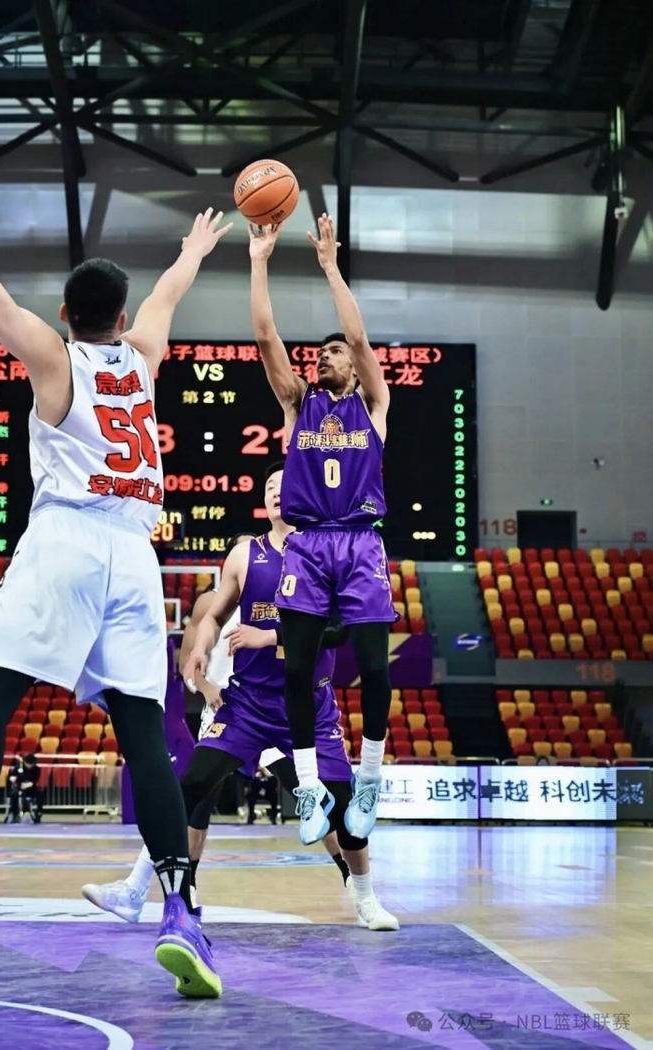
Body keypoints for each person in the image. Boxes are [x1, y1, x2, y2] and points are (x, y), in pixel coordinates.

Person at [0, 208, 231, 998]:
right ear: (122, 313)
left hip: (67, 541)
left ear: (67, 314)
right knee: (143, 735)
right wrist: (194, 250)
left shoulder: (54, 355)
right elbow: (168, 295)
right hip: (136, 559)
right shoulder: (144, 356)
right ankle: (180, 911)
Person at [83, 468, 397, 932]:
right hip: (248, 704)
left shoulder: (329, 552)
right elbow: (213, 616)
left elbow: (338, 632)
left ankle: (365, 897)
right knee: (191, 786)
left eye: (285, 486)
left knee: (343, 807)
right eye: (269, 488)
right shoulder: (245, 554)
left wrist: (270, 637)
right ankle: (135, 888)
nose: (276, 493)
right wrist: (201, 647)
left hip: (308, 708)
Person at [250, 214, 395, 844]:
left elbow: (358, 336)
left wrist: (330, 267)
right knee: (298, 670)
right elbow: (265, 336)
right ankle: (309, 788)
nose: (324, 355)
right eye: (321, 351)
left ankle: (370, 778)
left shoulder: (373, 405)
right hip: (307, 544)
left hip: (359, 541)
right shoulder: (297, 404)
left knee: (375, 668)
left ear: (356, 369)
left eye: (334, 352)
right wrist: (259, 261)